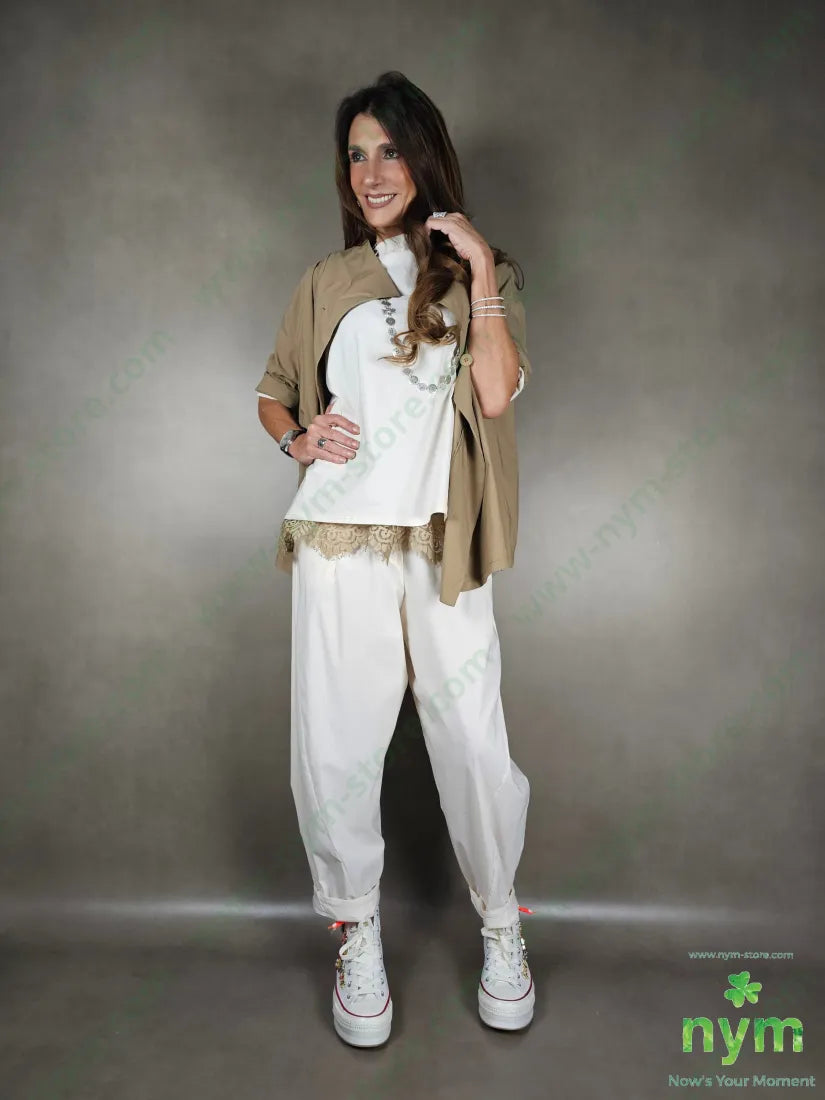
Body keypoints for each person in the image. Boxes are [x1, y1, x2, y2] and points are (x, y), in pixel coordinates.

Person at [255, 70, 534, 1048]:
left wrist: (481, 270)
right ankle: (358, 932)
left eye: (389, 151)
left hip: (441, 543)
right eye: (356, 155)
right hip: (340, 541)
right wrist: (297, 440)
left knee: (473, 742)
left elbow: (494, 394)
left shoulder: (480, 275)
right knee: (336, 747)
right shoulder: (325, 281)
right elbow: (274, 392)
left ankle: (501, 925)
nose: (371, 173)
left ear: (424, 159)